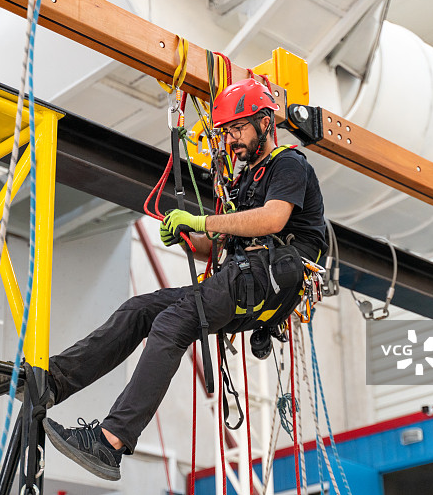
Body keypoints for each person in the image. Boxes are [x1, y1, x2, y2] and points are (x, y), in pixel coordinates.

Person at [41, 78, 327, 481]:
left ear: (265, 121)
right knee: (140, 309)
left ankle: (110, 442)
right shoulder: (246, 179)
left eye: (237, 128)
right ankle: (55, 381)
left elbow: (273, 218)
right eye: (226, 132)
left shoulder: (288, 164)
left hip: (275, 275)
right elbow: (219, 247)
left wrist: (201, 219)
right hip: (246, 278)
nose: (231, 140)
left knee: (173, 323)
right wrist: (189, 238)